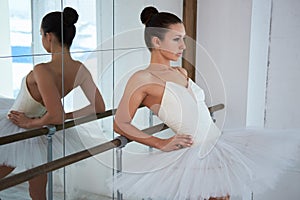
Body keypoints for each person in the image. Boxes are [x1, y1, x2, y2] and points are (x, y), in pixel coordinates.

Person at [111, 6, 300, 200]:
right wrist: (160, 143)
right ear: (157, 41)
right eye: (177, 39)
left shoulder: (180, 72)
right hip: (196, 153)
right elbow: (120, 123)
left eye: (183, 39)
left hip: (218, 145)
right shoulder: (143, 78)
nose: (183, 46)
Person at [0, 7, 105, 200]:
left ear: (49, 36)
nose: (42, 39)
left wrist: (30, 123)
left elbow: (55, 115)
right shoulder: (79, 69)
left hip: (19, 126)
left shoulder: (42, 70)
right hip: (38, 132)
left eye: (41, 34)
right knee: (38, 192)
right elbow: (99, 108)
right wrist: (61, 117)